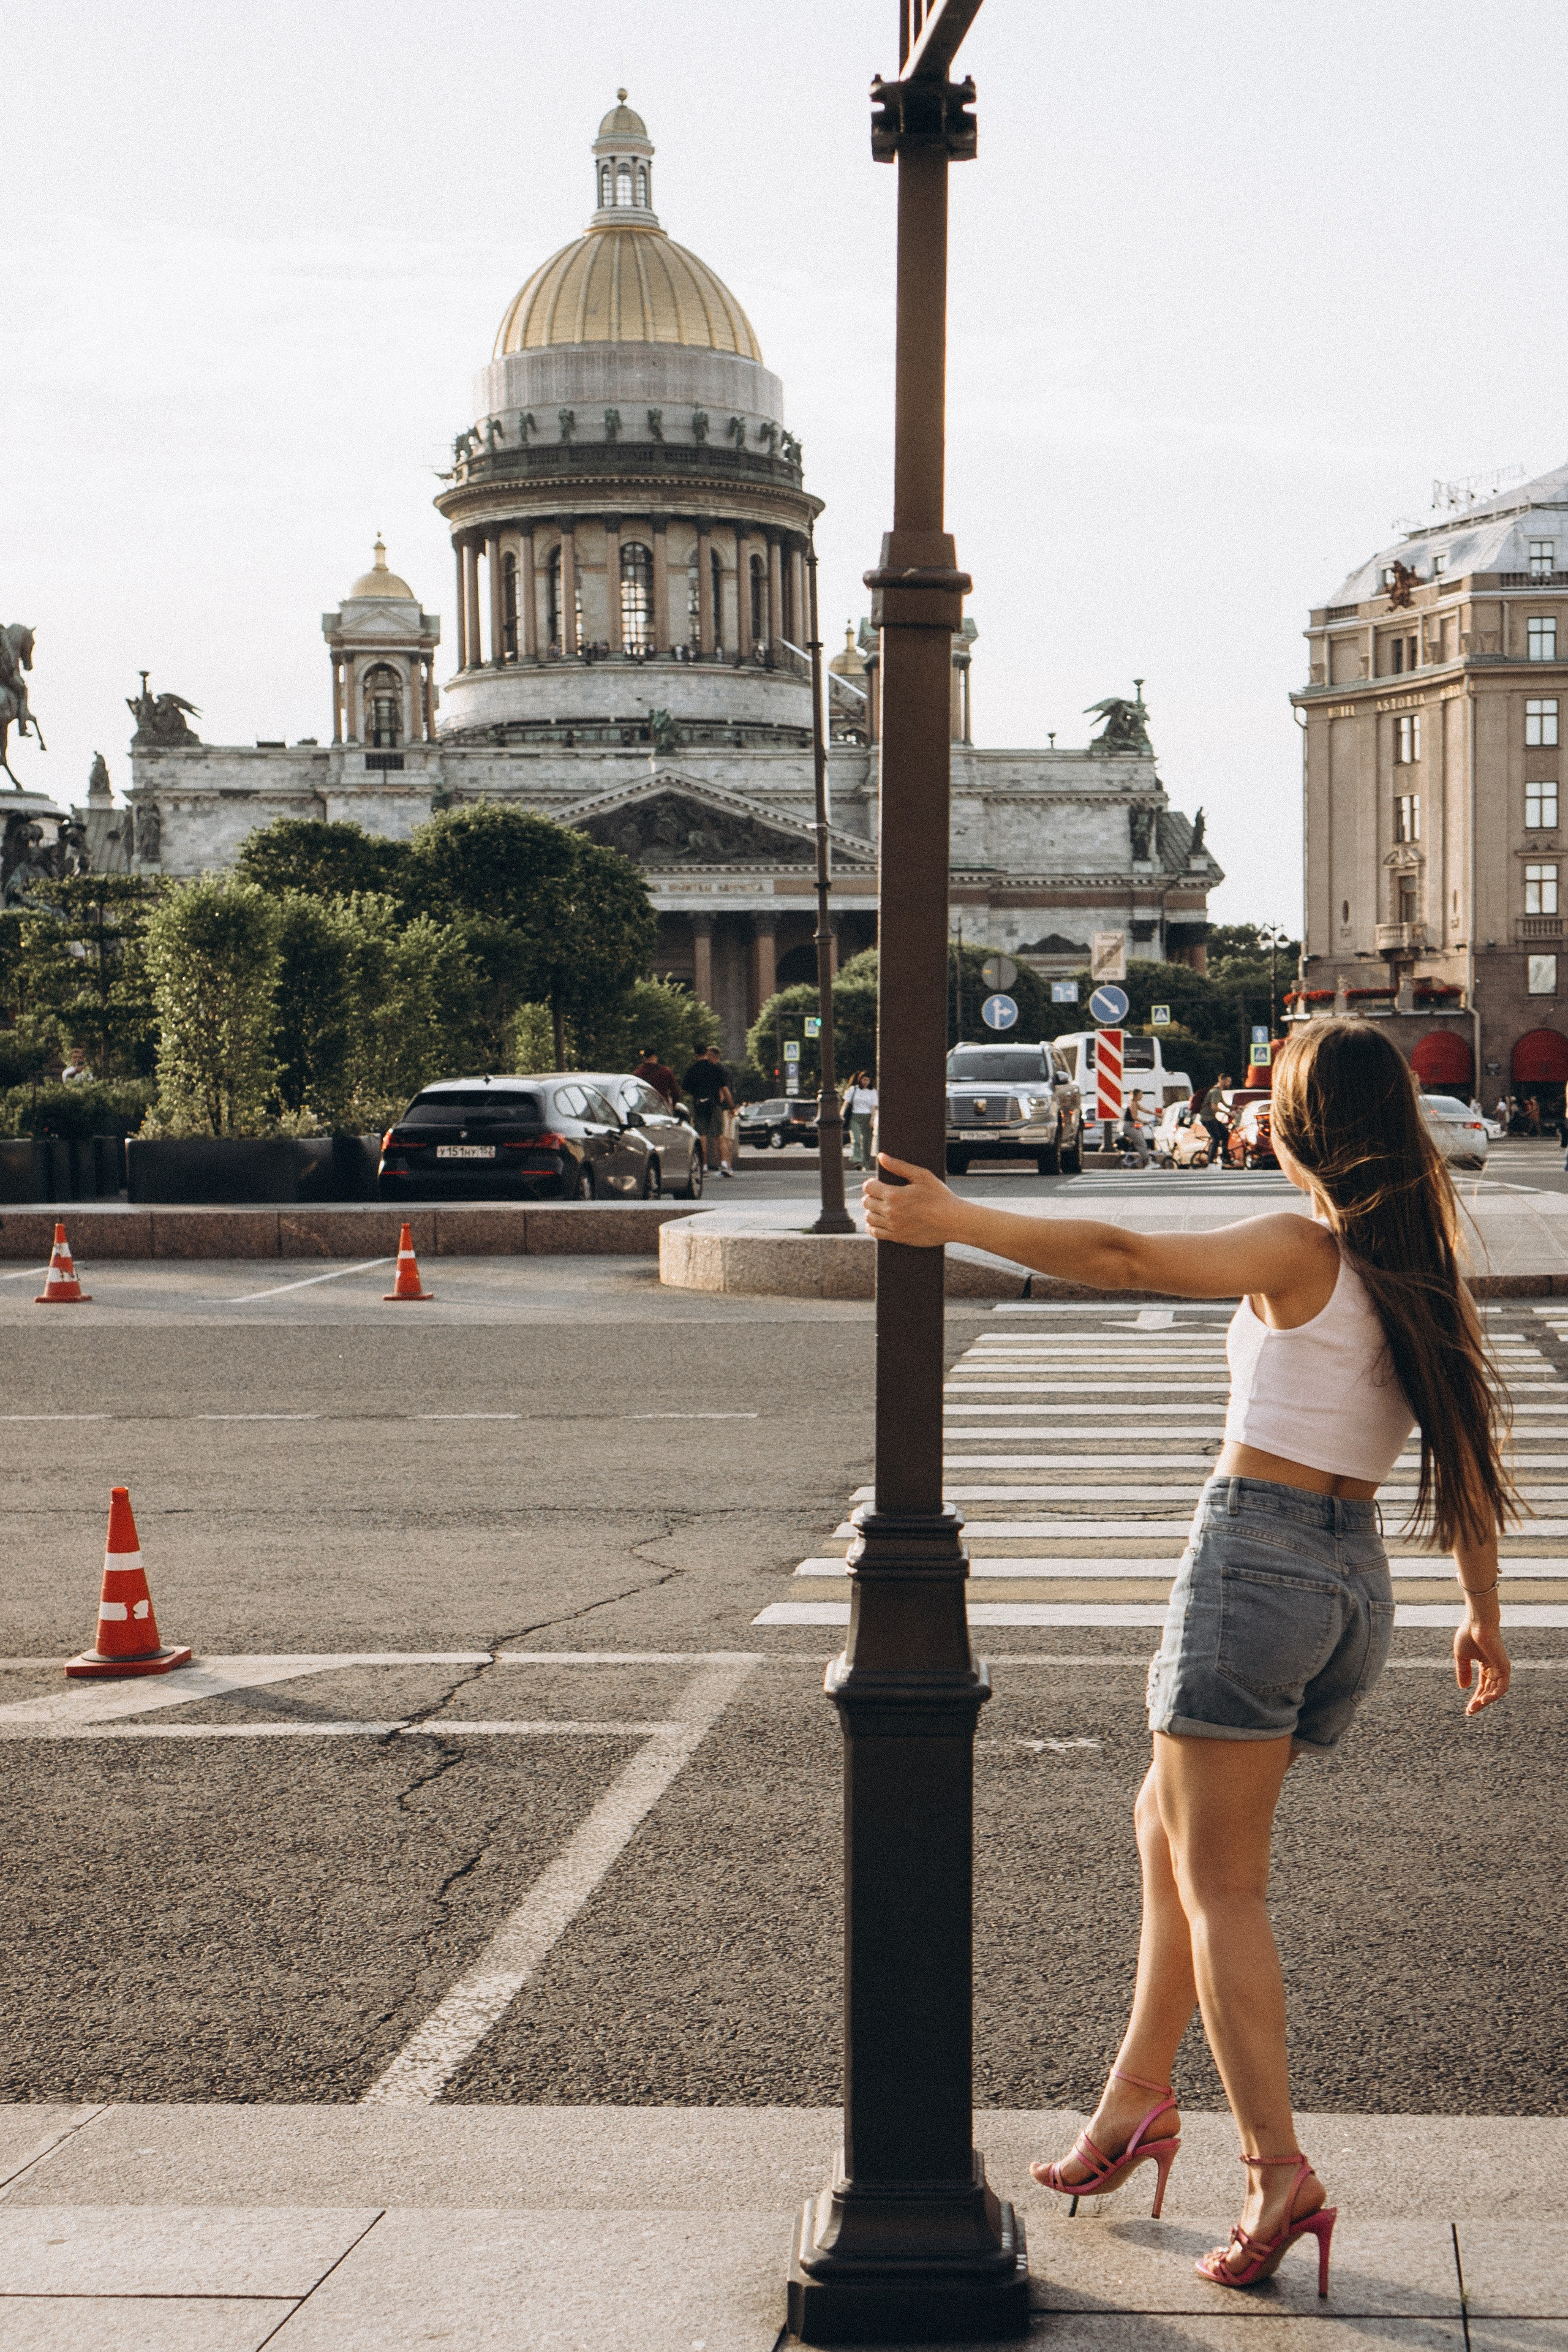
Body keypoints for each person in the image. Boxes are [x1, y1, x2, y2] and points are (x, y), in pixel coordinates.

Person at [863, 1019, 1512, 2296]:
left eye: (1270, 1100)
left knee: (1223, 1887)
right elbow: (1469, 1473)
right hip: (1347, 1578)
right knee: (1160, 1825)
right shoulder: (1414, 1265)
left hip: (1257, 1559)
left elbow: (1118, 1249)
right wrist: (1479, 1613)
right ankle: (1134, 2103)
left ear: (1298, 1127)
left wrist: (951, 1219)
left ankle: (1276, 2173)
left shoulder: (1302, 1246)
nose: (1257, 1116)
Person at [682, 1044, 734, 1177]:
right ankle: (725, 1165)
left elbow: (684, 1090)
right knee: (720, 1136)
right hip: (714, 1105)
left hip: (699, 1105)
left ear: (695, 1054)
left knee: (702, 1137)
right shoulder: (715, 1069)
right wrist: (731, 1106)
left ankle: (703, 1168)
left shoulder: (692, 1070)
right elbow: (725, 1089)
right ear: (706, 1053)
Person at [843, 1070, 878, 1169]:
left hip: (867, 1117)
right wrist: (841, 1115)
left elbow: (873, 1108)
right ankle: (857, 1161)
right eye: (864, 1080)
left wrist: (872, 1119)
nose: (866, 1082)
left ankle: (866, 1164)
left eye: (868, 1080)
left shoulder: (873, 1092)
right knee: (856, 1139)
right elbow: (846, 1104)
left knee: (867, 1142)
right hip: (855, 1117)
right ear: (860, 1080)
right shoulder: (853, 1089)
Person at [1200, 1073, 1233, 1169]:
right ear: (1222, 1080)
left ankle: (1224, 1156)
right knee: (1216, 1138)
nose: (1229, 1083)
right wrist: (1227, 1113)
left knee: (1226, 1134)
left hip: (1212, 1118)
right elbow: (1214, 1107)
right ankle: (1211, 1163)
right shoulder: (1215, 1091)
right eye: (1228, 1081)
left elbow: (1225, 1104)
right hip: (1207, 1118)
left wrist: (1237, 1107)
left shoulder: (1219, 1091)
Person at [635, 1046, 679, 1112]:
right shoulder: (666, 1072)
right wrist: (673, 1105)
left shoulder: (637, 1073)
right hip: (663, 1108)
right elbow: (675, 1092)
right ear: (655, 1057)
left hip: (645, 1110)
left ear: (644, 1058)